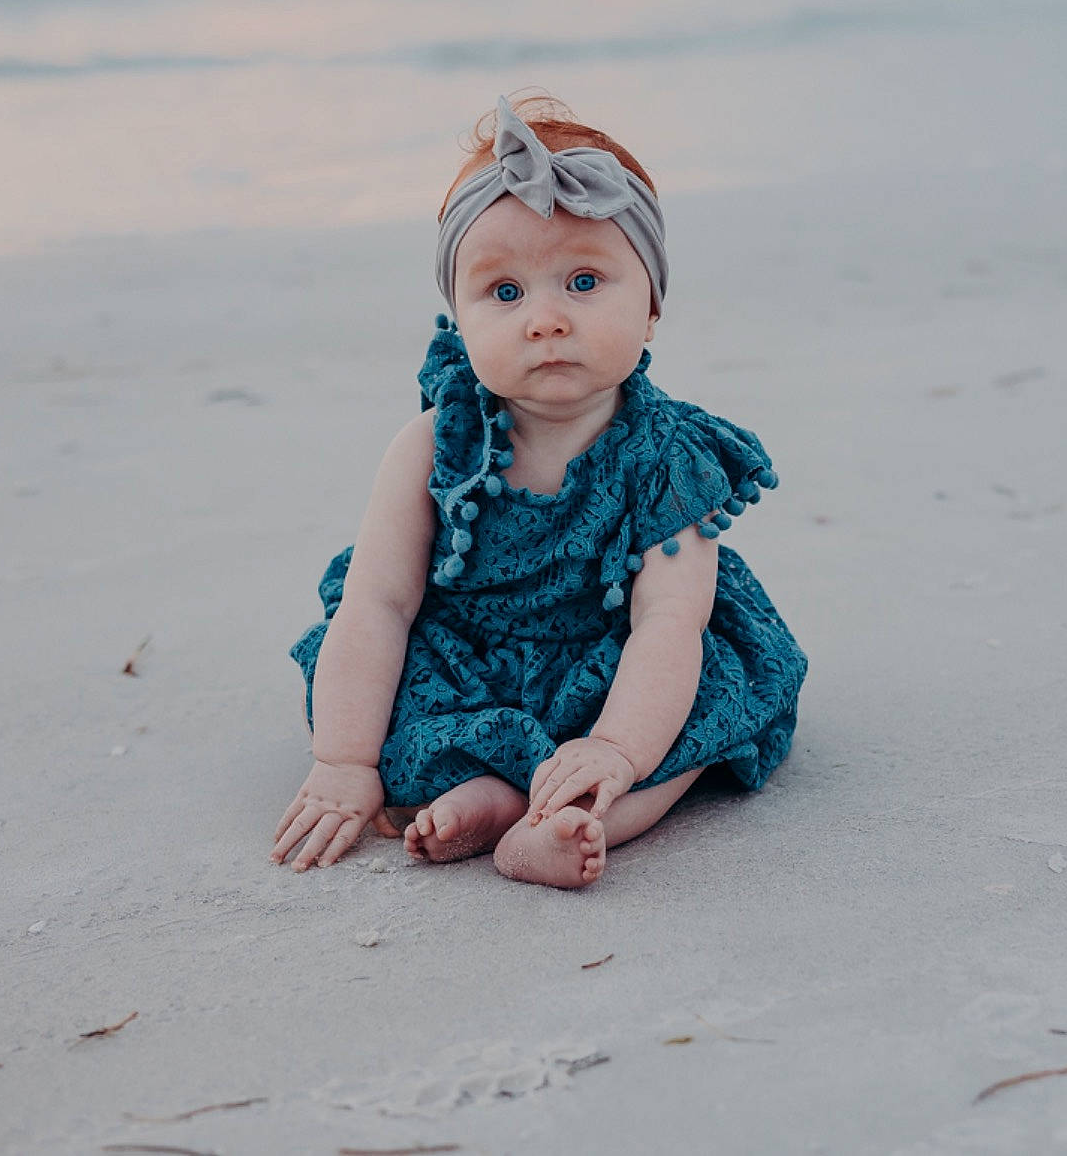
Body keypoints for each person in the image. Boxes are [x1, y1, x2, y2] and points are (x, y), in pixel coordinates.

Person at [270, 94, 807, 888]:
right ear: (457, 315)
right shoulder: (431, 446)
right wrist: (344, 760)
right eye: (506, 293)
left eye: (584, 280)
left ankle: (573, 820)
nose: (546, 319)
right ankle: (486, 794)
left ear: (652, 306)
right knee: (384, 703)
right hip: (470, 660)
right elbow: (377, 601)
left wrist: (618, 747)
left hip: (621, 667)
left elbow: (668, 622)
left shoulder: (669, 458)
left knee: (689, 729)